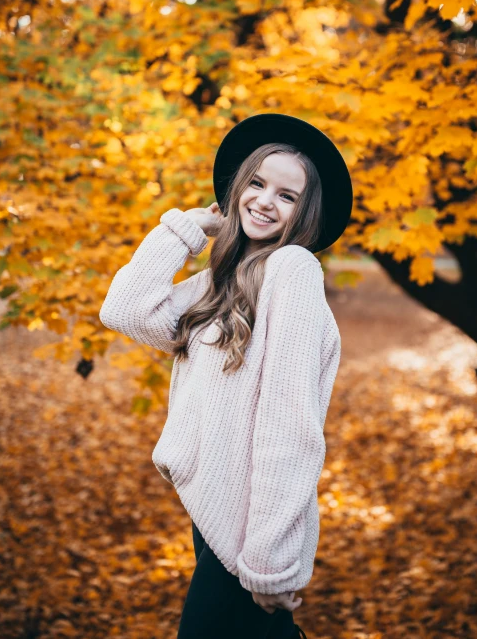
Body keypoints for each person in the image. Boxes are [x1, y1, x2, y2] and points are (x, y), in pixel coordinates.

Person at [99, 113, 353, 638]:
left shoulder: (292, 271)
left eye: (286, 196)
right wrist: (189, 228)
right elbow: (124, 311)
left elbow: (289, 424)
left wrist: (269, 556)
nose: (264, 201)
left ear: (304, 213)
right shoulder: (222, 279)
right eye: (257, 183)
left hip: (251, 533)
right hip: (214, 520)